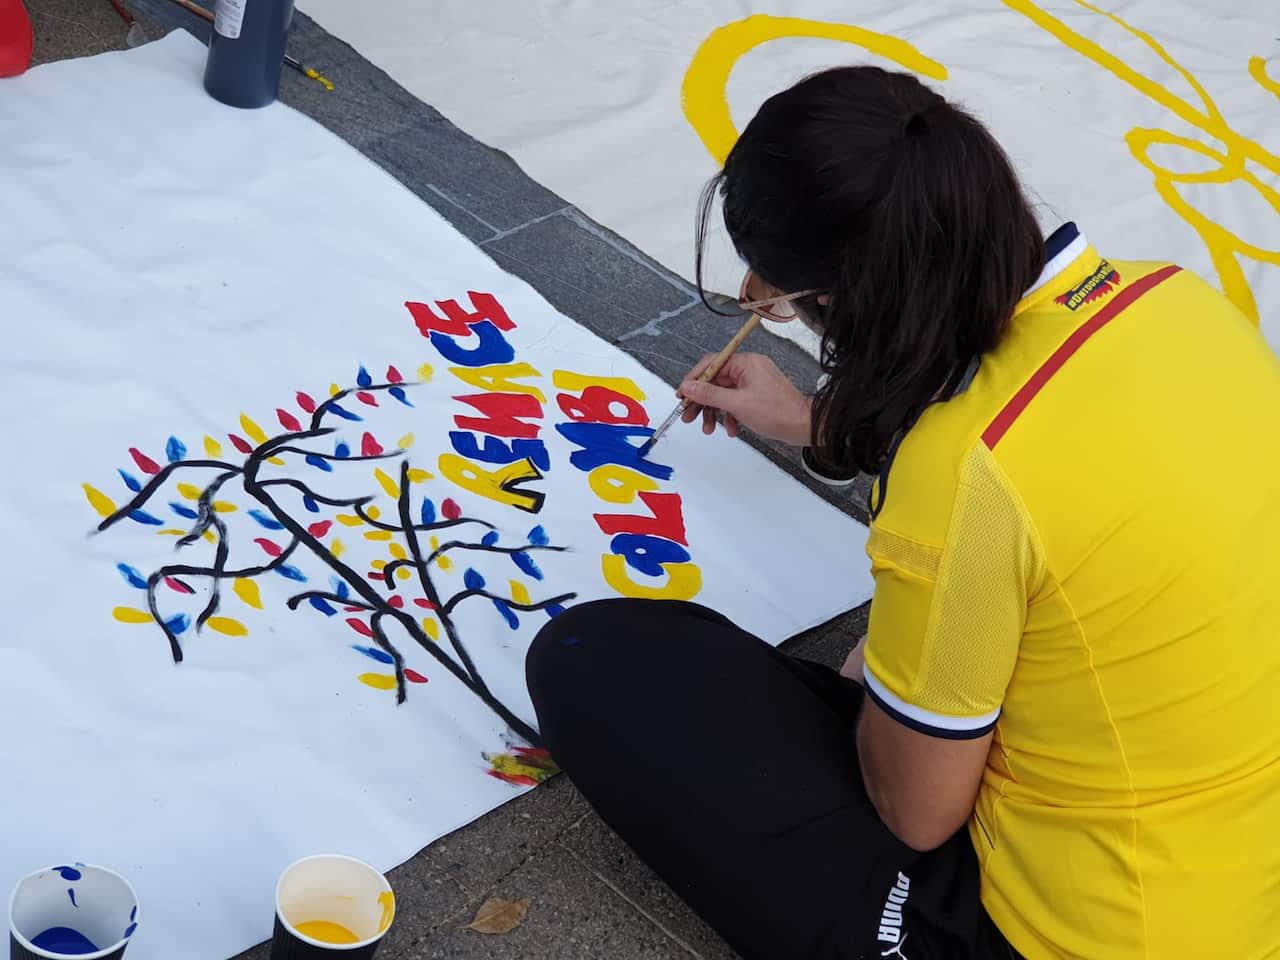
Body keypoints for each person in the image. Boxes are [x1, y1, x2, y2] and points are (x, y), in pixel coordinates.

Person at [525, 65, 1280, 960]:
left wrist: (894, 668)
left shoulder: (964, 478)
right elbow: (1066, 452)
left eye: (784, 292)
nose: (762, 296)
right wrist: (820, 421)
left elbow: (917, 812)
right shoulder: (1172, 296)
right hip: (1243, 851)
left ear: (846, 300)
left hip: (1095, 928)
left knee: (596, 661)